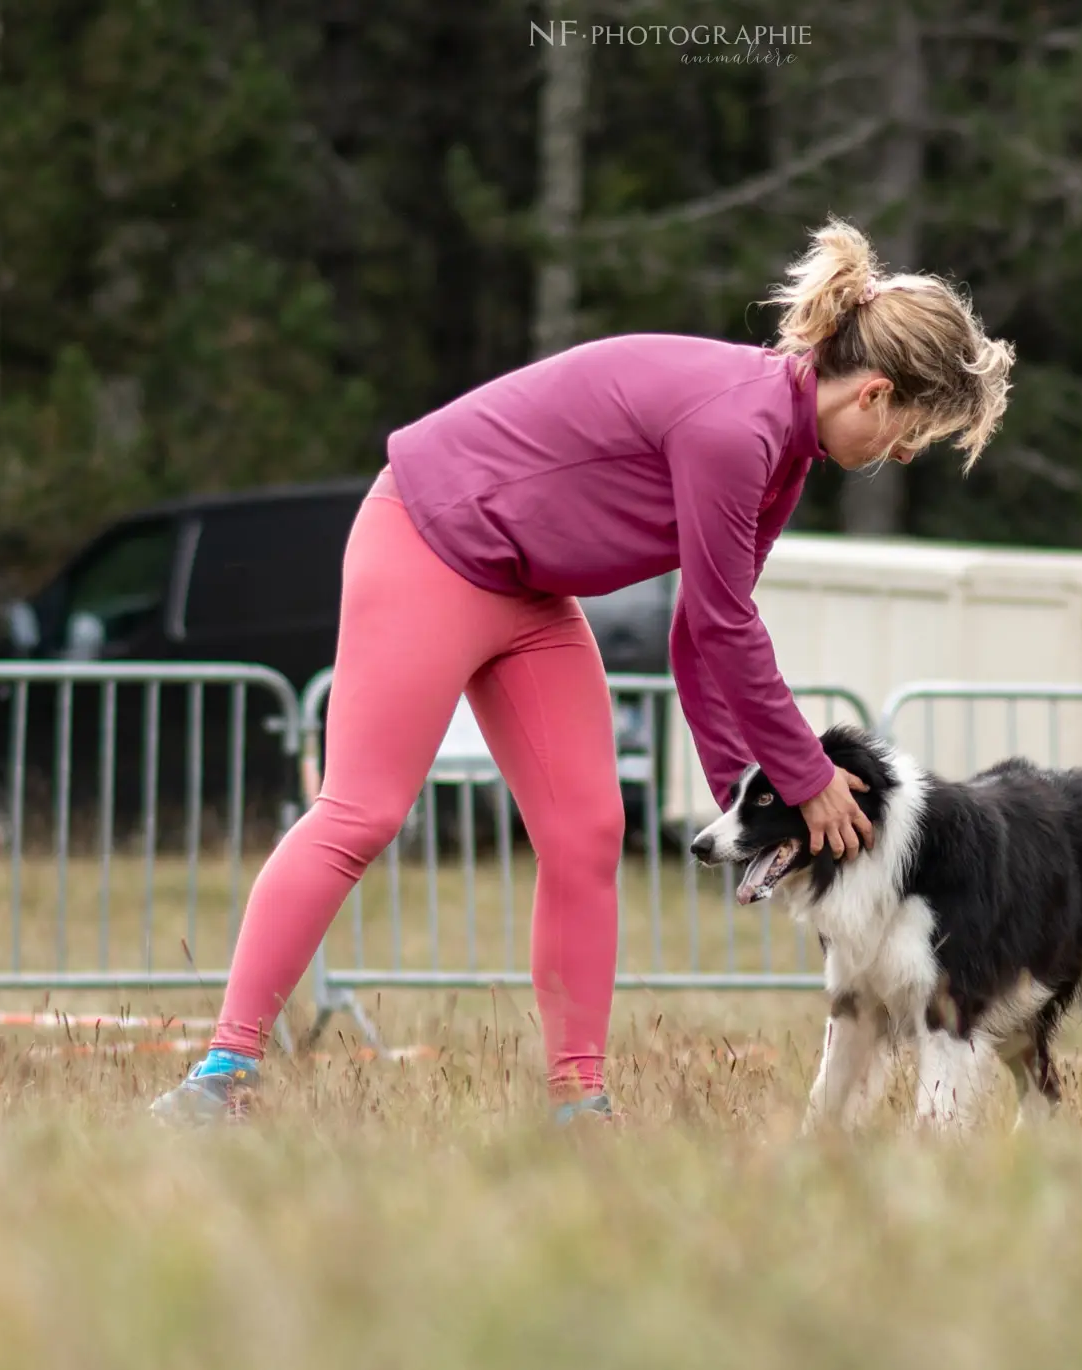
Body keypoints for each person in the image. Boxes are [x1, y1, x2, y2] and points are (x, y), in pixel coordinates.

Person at [151, 217, 1016, 1125]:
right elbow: (726, 624)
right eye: (912, 434)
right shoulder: (737, 429)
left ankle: (577, 1105)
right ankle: (221, 1074)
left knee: (589, 830)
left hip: (529, 592)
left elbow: (695, 631)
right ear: (875, 395)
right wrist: (803, 778)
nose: (901, 455)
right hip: (426, 541)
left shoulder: (784, 452)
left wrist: (750, 807)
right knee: (362, 812)